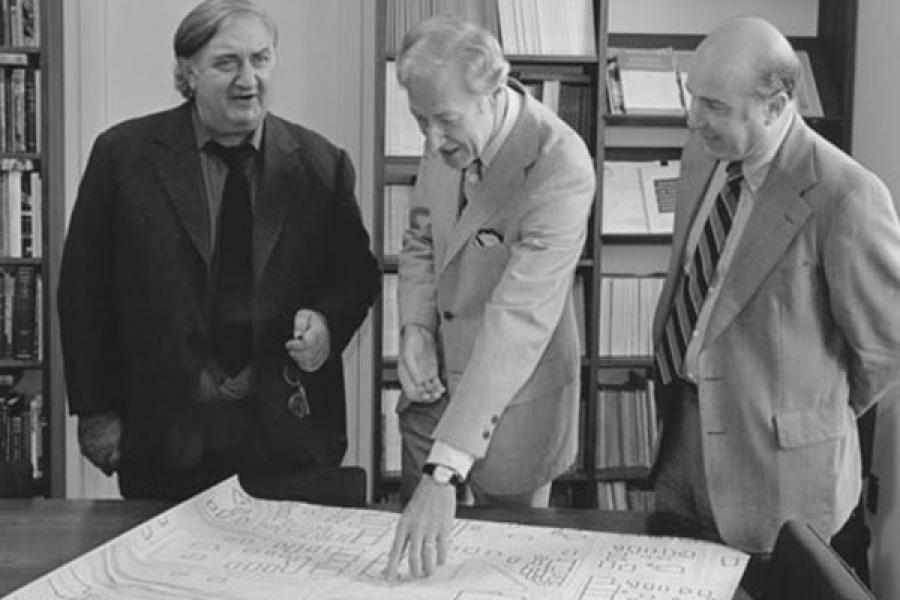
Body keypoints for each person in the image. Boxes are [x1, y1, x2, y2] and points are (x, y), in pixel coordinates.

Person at [57, 0, 379, 500]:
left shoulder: (321, 163)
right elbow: (83, 292)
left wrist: (328, 323)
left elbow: (355, 275)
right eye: (227, 63)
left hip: (286, 438)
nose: (247, 79)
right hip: (164, 436)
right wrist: (96, 411)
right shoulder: (122, 156)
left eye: (261, 59)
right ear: (188, 73)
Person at [650, 15, 900, 573]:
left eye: (714, 105)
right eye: (694, 98)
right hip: (681, 439)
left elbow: (884, 351)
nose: (694, 120)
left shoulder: (847, 195)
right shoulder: (703, 155)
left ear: (776, 102)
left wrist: (802, 417)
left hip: (781, 479)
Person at [383, 16, 595, 579]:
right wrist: (416, 329)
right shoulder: (443, 132)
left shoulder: (560, 164)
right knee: (420, 573)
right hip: (430, 397)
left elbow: (520, 319)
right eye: (419, 120)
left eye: (445, 121)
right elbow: (421, 239)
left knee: (501, 577)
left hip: (515, 406)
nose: (430, 140)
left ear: (494, 91)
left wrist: (446, 470)